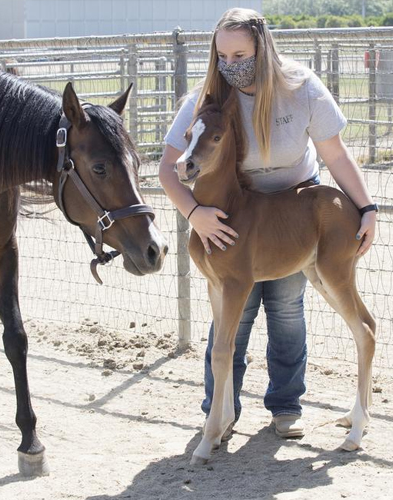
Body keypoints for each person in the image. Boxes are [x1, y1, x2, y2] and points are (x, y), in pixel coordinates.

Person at [159, 7, 377, 439]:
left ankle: (285, 406)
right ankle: (219, 411)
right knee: (232, 317)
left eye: (240, 54)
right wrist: (193, 213)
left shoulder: (299, 87)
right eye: (222, 55)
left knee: (286, 307)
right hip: (232, 209)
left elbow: (334, 153)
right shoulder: (208, 98)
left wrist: (367, 207)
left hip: (293, 206)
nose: (230, 65)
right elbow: (170, 167)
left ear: (262, 47)